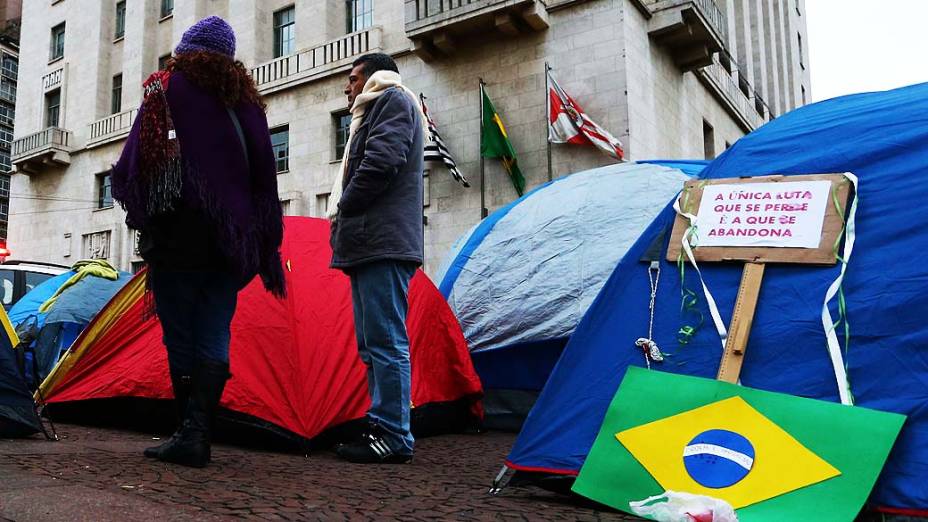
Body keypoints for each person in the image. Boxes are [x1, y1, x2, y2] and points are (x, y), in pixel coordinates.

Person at [111, 16, 286, 468]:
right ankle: (199, 430)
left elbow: (134, 163)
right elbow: (264, 175)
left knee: (180, 333)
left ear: (187, 50)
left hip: (177, 237)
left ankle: (188, 434)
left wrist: (141, 202)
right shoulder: (247, 102)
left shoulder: (167, 88)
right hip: (232, 242)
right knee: (214, 329)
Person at [327, 53, 426, 464]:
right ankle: (381, 424)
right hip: (369, 245)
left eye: (352, 79)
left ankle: (394, 434)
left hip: (382, 243)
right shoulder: (376, 109)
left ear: (371, 78)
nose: (347, 89)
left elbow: (382, 161)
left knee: (385, 342)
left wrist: (345, 206)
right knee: (373, 344)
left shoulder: (392, 100)